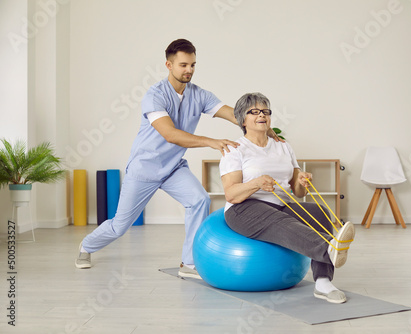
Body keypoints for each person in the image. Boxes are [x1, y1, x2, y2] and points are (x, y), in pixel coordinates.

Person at [75, 39, 278, 278]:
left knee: (199, 200)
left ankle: (189, 264)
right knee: (120, 225)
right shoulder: (155, 95)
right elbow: (170, 135)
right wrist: (211, 142)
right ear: (168, 65)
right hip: (145, 169)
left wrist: (262, 125)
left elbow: (234, 114)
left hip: (173, 168)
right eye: (183, 65)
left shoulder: (198, 94)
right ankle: (86, 247)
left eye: (192, 65)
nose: (189, 70)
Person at [220, 92, 355, 303]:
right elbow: (231, 193)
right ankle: (329, 248)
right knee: (280, 220)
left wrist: (302, 181)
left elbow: (297, 192)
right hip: (244, 208)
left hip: (280, 204)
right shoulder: (235, 150)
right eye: (254, 111)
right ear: (242, 119)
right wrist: (256, 183)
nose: (261, 115)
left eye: (265, 111)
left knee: (318, 211)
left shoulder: (283, 146)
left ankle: (323, 283)